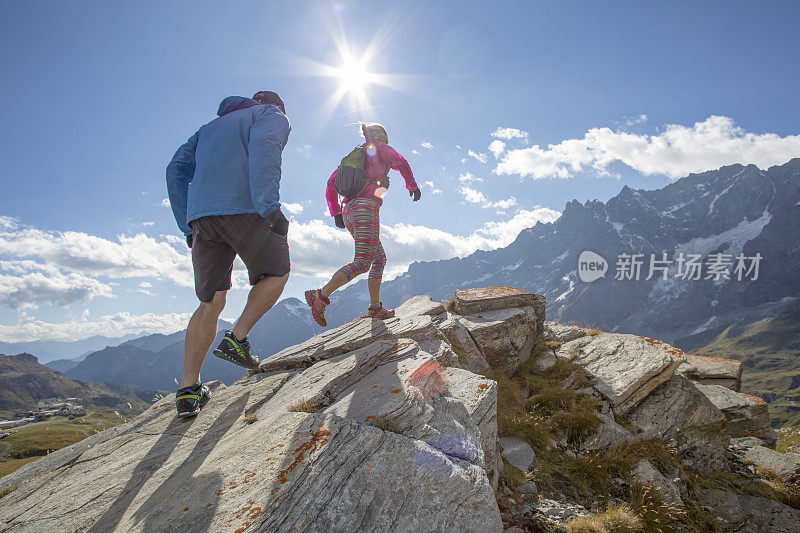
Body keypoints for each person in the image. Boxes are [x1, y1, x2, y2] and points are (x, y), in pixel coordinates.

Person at [166, 91, 291, 418]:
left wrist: (186, 224)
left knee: (210, 301)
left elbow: (175, 169)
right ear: (276, 105)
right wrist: (269, 206)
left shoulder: (208, 128)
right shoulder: (271, 115)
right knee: (278, 272)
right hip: (245, 208)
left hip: (202, 219)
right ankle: (238, 338)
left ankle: (187, 391)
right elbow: (265, 149)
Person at [305, 123, 420, 327]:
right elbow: (402, 163)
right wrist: (412, 186)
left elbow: (331, 184)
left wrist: (336, 213)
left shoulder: (353, 156)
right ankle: (320, 296)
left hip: (349, 211)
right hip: (366, 209)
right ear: (382, 136)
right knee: (362, 262)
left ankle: (375, 308)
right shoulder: (379, 148)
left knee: (379, 259)